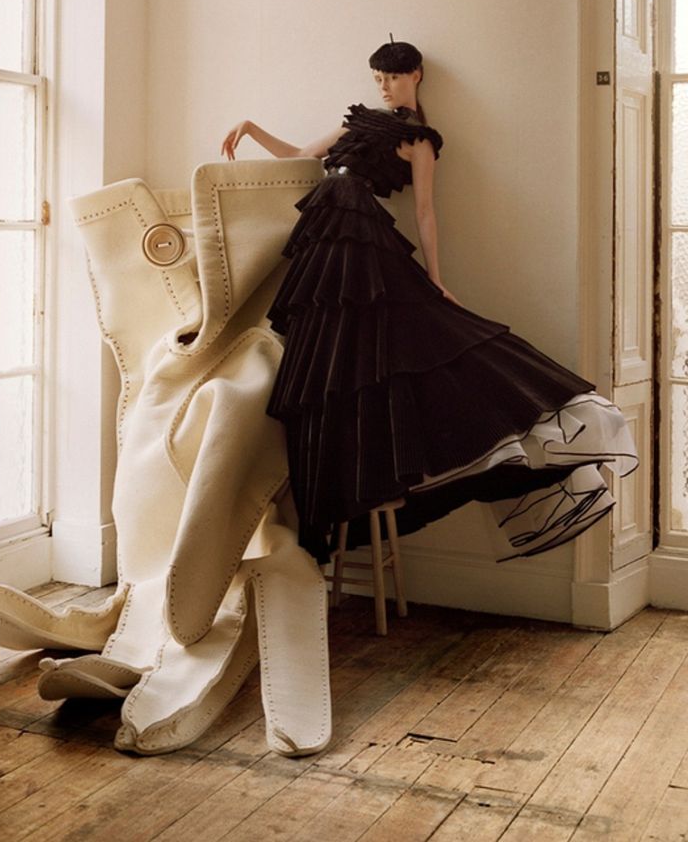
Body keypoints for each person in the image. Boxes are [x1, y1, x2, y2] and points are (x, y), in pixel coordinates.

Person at [221, 39, 637, 565]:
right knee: (330, 361)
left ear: (415, 75)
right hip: (323, 240)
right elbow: (300, 157)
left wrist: (437, 279)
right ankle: (333, 498)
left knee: (406, 343)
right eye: (378, 78)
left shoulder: (420, 141)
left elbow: (425, 212)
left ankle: (533, 422)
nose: (384, 87)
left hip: (361, 239)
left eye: (392, 77)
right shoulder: (359, 121)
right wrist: (251, 127)